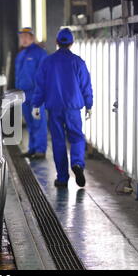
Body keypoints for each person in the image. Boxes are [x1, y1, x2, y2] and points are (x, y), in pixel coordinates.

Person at [31, 28, 93, 187]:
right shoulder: (78, 62)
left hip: (54, 108)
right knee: (77, 137)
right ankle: (77, 163)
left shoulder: (47, 62)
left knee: (58, 142)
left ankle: (62, 178)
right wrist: (89, 105)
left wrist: (36, 104)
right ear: (71, 43)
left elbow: (40, 86)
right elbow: (86, 86)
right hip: (73, 109)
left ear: (57, 42)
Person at [15, 27, 48, 159]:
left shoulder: (40, 54)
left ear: (32, 38)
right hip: (23, 94)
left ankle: (40, 149)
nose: (24, 39)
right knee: (29, 122)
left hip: (36, 94)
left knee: (38, 122)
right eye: (22, 37)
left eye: (27, 37)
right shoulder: (21, 55)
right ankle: (32, 148)